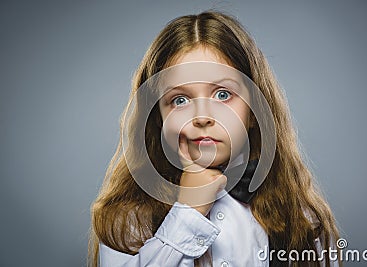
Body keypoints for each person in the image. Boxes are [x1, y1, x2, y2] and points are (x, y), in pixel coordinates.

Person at [89, 11, 341, 267]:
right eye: (180, 100)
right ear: (158, 118)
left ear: (255, 111)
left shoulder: (301, 219)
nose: (202, 117)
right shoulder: (127, 220)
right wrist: (188, 212)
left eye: (222, 95)